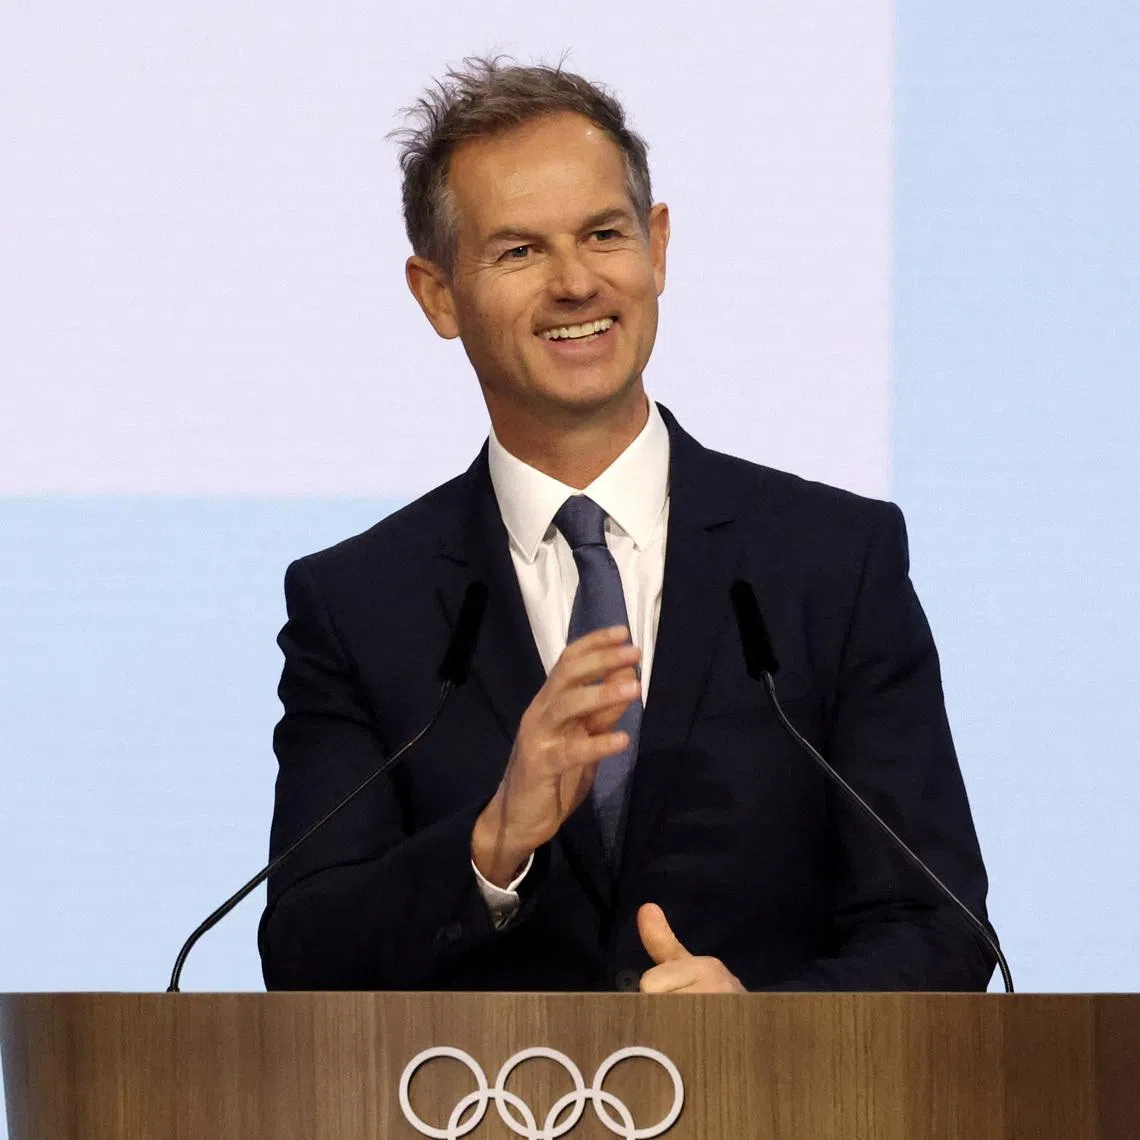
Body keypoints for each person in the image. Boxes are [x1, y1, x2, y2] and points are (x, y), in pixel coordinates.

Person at [258, 59, 998, 993]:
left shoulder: (832, 562)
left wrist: (768, 1031)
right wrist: (492, 846)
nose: (576, 283)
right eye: (519, 251)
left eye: (604, 234)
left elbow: (940, 926)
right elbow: (304, 954)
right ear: (437, 293)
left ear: (657, 248)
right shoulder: (358, 604)